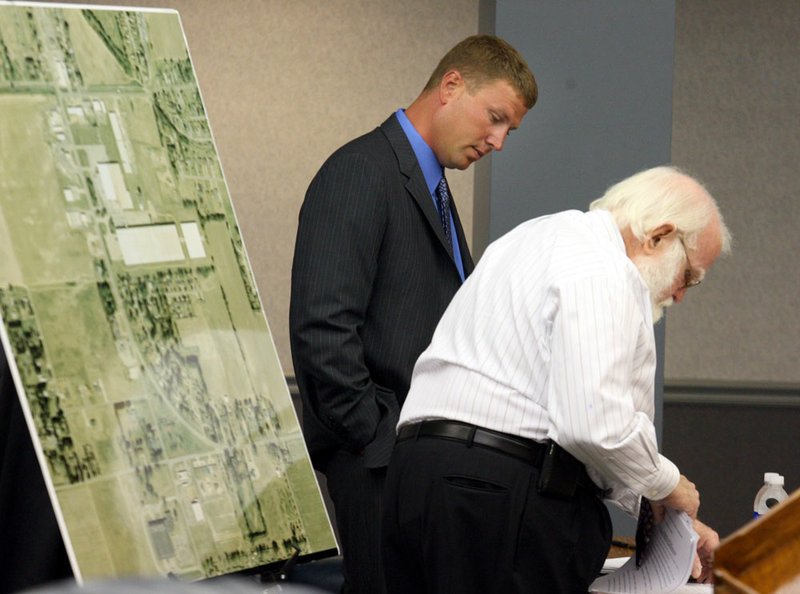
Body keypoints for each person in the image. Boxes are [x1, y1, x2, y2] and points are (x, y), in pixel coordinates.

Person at [382, 166, 730, 594]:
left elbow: (553, 403)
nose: (679, 294)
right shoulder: (603, 267)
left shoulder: (531, 238)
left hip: (417, 478)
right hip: (495, 500)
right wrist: (669, 484)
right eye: (689, 277)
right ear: (658, 235)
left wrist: (665, 509)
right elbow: (594, 424)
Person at [289, 35, 537, 594]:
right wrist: (379, 444)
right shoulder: (360, 171)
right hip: (379, 464)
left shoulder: (435, 190)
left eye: (509, 130)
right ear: (451, 86)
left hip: (422, 468)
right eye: (495, 118)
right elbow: (321, 331)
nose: (498, 141)